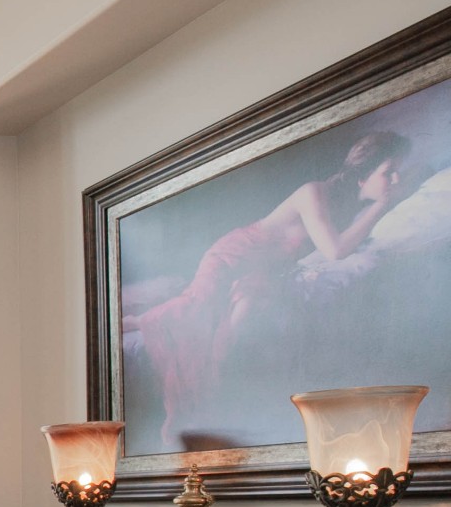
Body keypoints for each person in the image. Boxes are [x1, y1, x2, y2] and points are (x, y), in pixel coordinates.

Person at [129, 131, 410, 448]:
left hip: (261, 271)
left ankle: (215, 411)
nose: (397, 179)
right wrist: (384, 204)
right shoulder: (313, 193)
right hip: (234, 256)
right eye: (388, 172)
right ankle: (131, 323)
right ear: (362, 175)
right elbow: (335, 251)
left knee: (224, 330)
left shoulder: (347, 207)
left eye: (399, 170)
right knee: (191, 310)